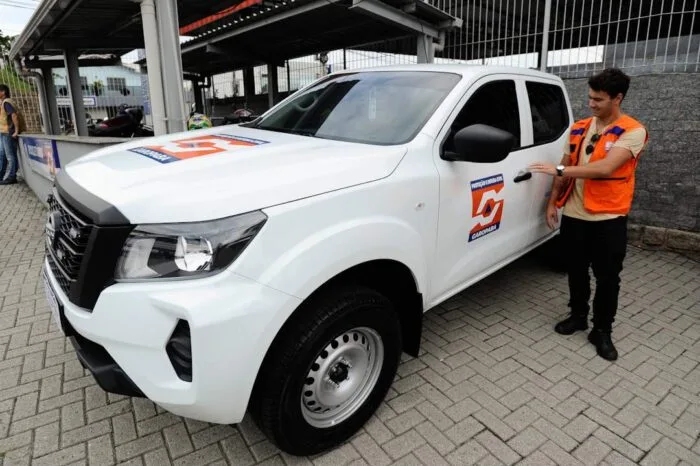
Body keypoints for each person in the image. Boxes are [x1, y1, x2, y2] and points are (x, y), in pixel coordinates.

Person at [529, 68, 648, 361]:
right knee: (576, 269)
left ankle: (602, 330)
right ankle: (578, 316)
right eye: (590, 97)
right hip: (575, 215)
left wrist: (560, 170)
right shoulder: (580, 128)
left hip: (608, 218)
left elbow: (604, 168)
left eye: (598, 99)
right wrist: (552, 203)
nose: (591, 104)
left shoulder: (633, 131)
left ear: (617, 98)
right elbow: (565, 166)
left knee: (608, 278)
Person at [0, 84, 23, 185]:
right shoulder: (3, 103)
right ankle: (1, 176)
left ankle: (12, 177)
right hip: (3, 132)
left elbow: (14, 115)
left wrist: (16, 131)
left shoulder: (7, 102)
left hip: (8, 133)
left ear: (3, 92)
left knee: (10, 156)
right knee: (2, 155)